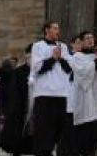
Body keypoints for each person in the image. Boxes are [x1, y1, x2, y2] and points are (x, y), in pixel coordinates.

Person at [31, 21, 73, 156]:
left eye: (58, 28)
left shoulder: (64, 47)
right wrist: (53, 58)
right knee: (44, 128)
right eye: (55, 28)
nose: (57, 31)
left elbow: (69, 69)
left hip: (62, 93)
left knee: (61, 128)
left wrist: (60, 57)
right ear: (47, 30)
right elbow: (37, 68)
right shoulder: (37, 46)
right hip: (44, 93)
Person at [71, 31, 97, 156]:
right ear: (81, 41)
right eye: (87, 38)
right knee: (86, 137)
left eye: (92, 37)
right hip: (86, 101)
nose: (90, 40)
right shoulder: (77, 57)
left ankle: (95, 151)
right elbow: (82, 74)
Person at [0, 45, 34, 156]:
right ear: (27, 57)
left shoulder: (38, 70)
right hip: (20, 105)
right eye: (30, 57)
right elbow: (14, 90)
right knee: (18, 130)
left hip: (35, 103)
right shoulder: (19, 72)